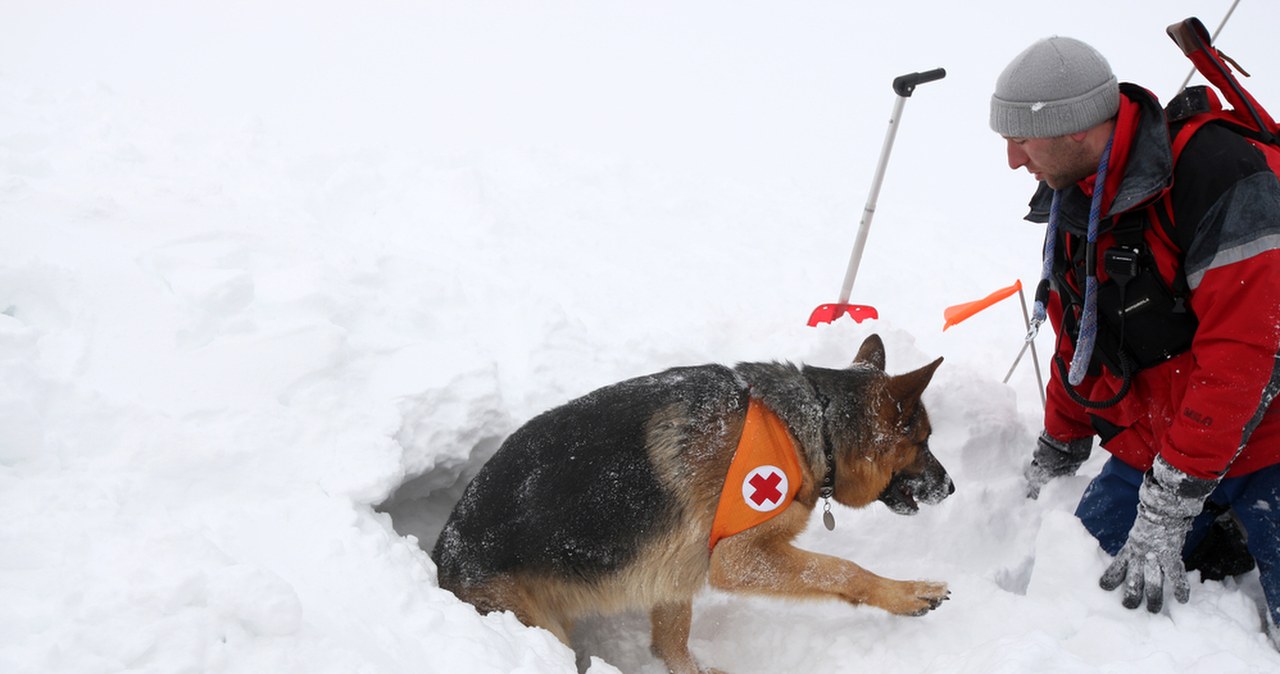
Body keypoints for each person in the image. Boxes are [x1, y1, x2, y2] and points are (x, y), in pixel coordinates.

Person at [989, 36, 1280, 648]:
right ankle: (1219, 525)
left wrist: (1173, 501)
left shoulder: (1218, 176)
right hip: (1167, 437)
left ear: (1076, 130)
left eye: (1021, 139)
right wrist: (1062, 441)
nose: (1013, 159)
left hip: (1271, 435)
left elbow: (1244, 356)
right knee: (1080, 591)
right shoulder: (1079, 192)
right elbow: (1083, 326)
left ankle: (1222, 518)